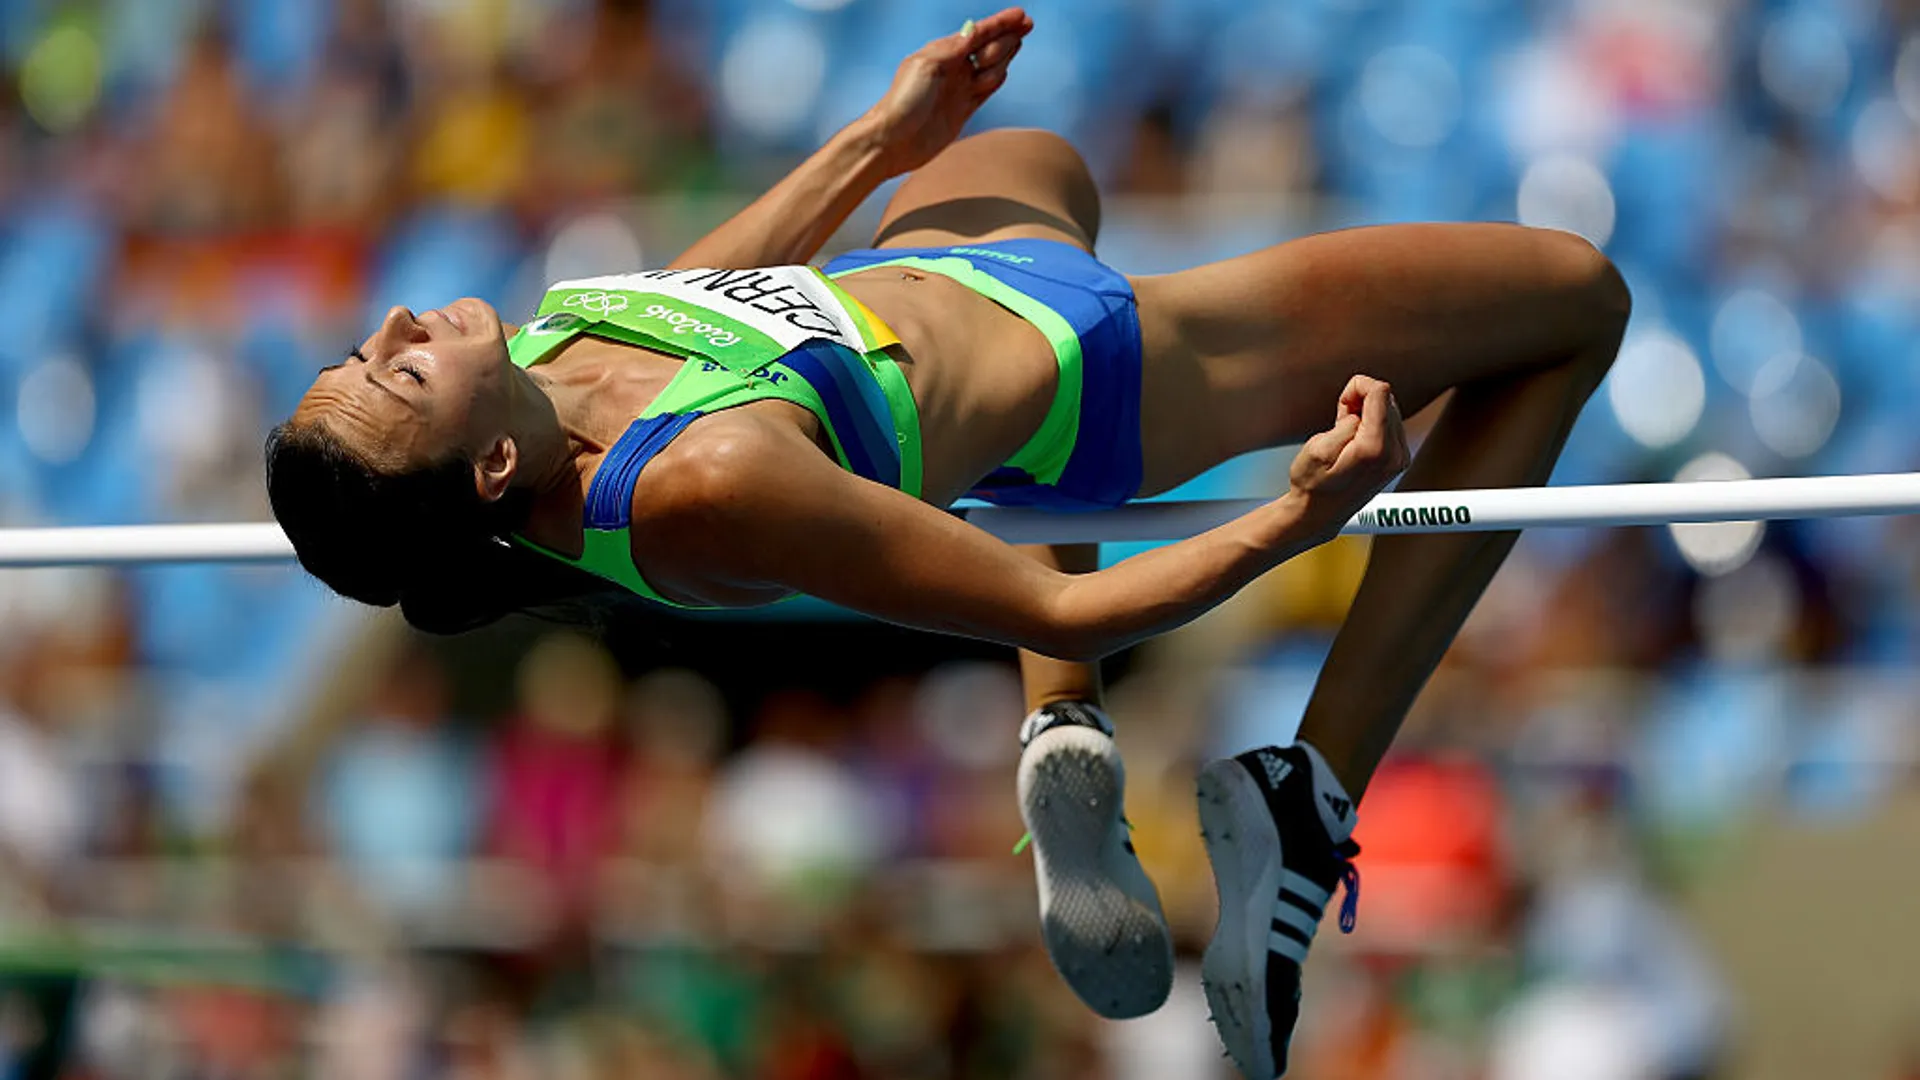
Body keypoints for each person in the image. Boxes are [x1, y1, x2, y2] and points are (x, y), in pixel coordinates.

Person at [265, 9, 1629, 1077]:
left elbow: (693, 299)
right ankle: (1306, 797)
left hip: (953, 280)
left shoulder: (559, 348)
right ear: (491, 465)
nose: (390, 334)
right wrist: (1299, 513)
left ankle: (1065, 744)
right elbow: (1072, 609)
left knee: (1037, 157)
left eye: (358, 350)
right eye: (393, 381)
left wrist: (881, 138)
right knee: (1577, 296)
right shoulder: (703, 482)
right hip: (1099, 370)